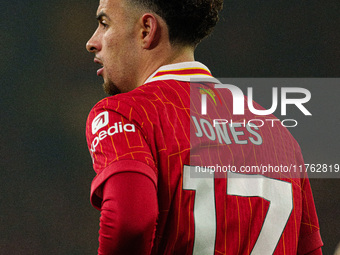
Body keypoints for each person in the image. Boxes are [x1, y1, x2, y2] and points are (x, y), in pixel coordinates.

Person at [85, 0, 323, 254]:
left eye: (104, 23)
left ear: (146, 30)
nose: (92, 42)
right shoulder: (280, 136)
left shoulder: (125, 114)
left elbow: (130, 221)